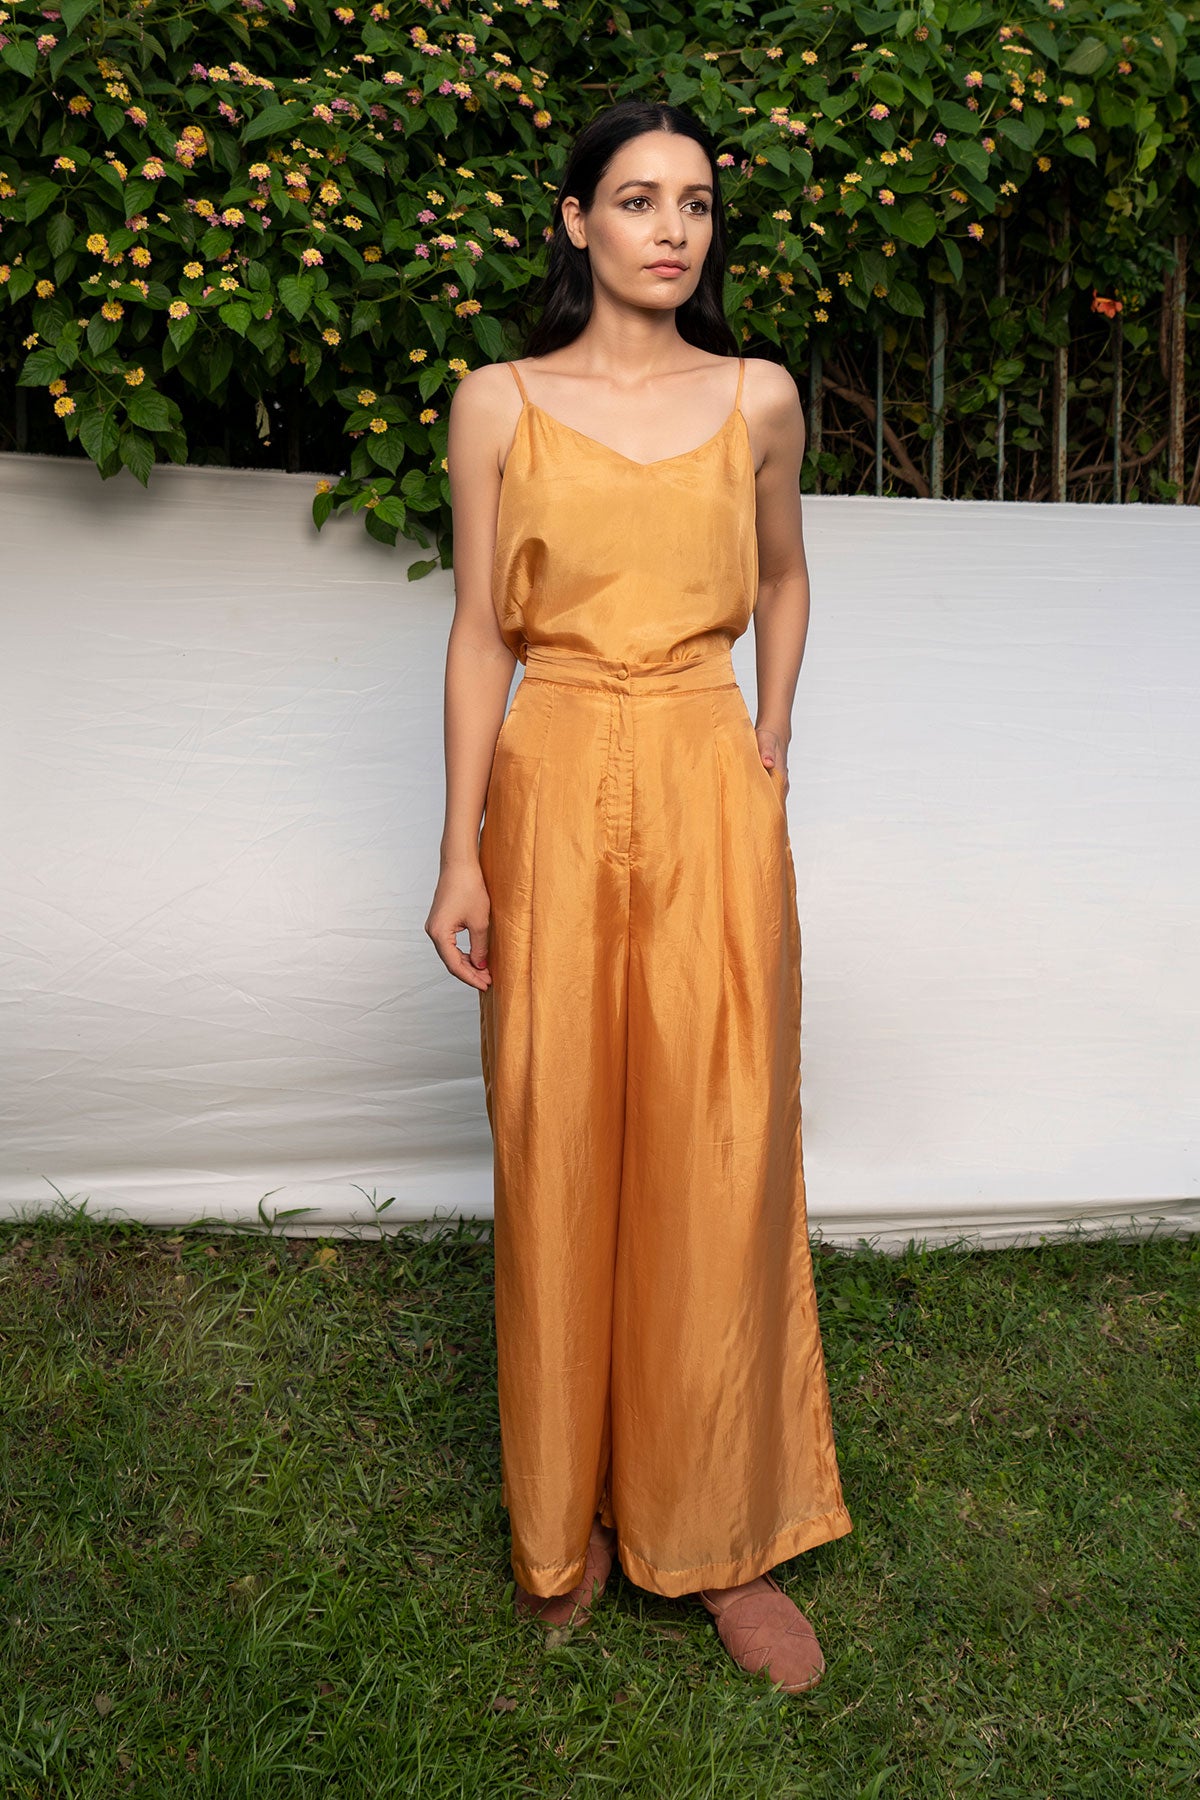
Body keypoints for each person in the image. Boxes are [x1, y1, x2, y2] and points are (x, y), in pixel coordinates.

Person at [425, 98, 853, 1697]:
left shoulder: (757, 398)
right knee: (558, 1135)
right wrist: (459, 849)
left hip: (702, 777)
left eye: (695, 204)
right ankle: (567, 1517)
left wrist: (772, 733)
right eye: (635, 200)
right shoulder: (499, 403)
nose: (671, 230)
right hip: (547, 777)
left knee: (714, 1137)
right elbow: (482, 629)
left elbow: (785, 574)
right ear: (575, 222)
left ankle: (720, 1534)